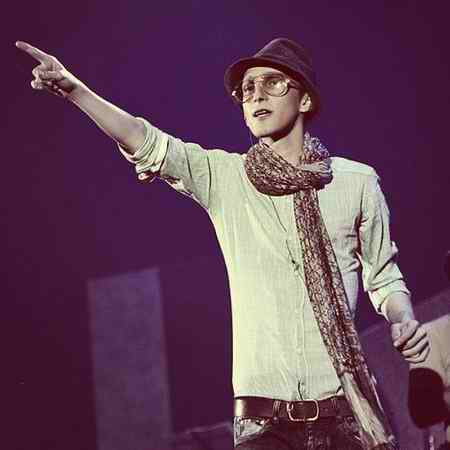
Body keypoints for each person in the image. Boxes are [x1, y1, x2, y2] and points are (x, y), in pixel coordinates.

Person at [16, 37, 431, 449]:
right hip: (263, 426)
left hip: (346, 415)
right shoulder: (226, 177)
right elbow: (146, 141)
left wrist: (402, 317)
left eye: (273, 83)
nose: (256, 95)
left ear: (305, 100)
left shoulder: (356, 183)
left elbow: (384, 277)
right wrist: (74, 89)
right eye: (247, 89)